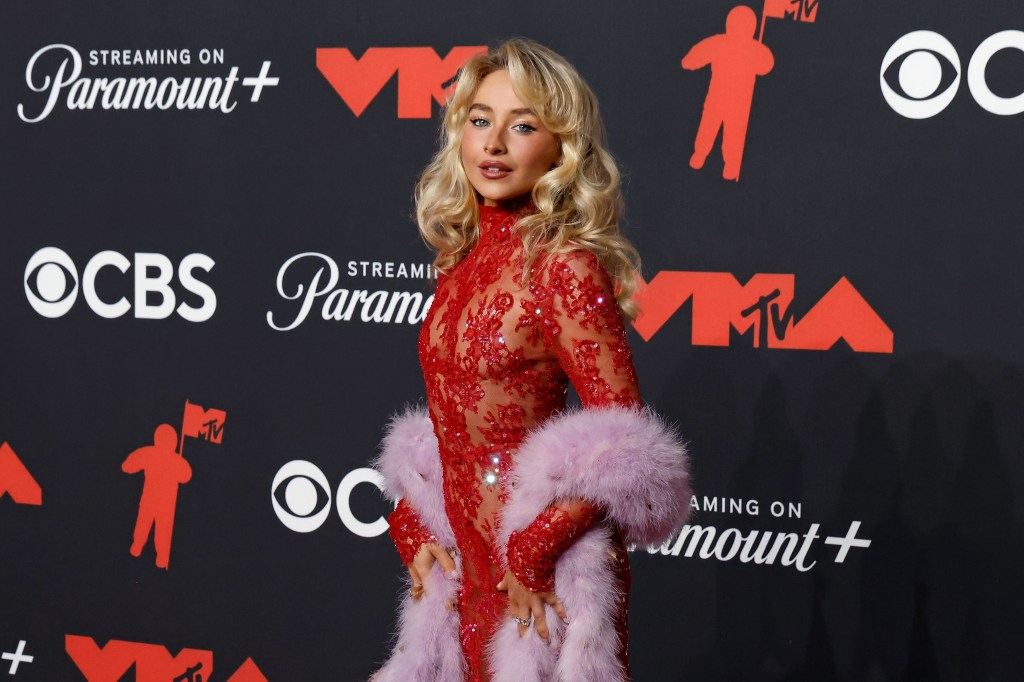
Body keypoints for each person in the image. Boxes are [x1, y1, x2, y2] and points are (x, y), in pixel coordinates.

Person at [372, 38, 690, 682]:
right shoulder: (460, 262)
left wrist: (536, 548)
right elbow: (454, 421)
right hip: (467, 567)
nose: (494, 143)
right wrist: (410, 517)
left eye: (522, 126)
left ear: (560, 146)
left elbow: (627, 450)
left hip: (539, 576)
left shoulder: (564, 268)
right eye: (479, 120)